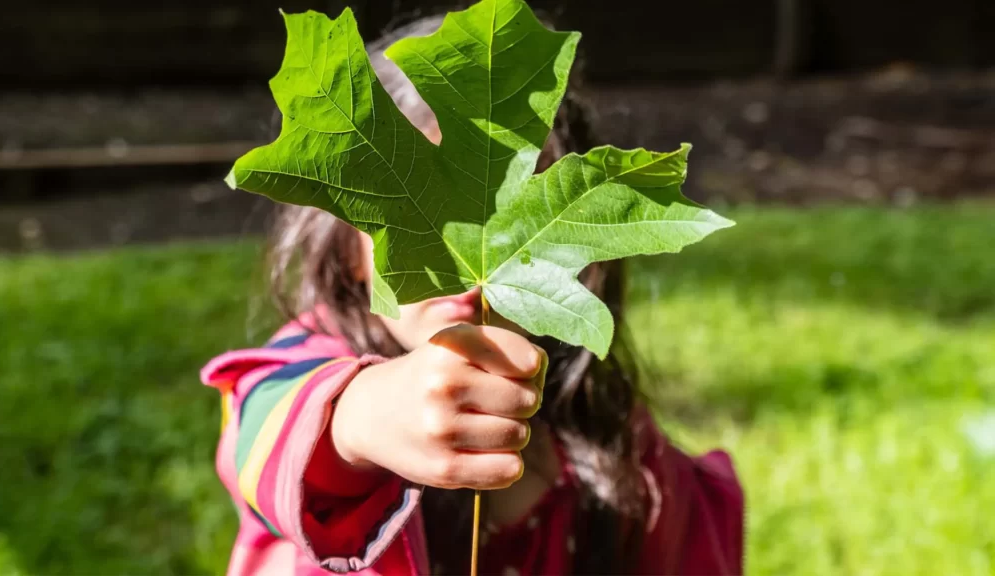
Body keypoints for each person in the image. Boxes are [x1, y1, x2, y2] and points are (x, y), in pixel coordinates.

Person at [201, 15, 743, 576]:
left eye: (508, 216)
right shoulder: (304, 368)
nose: (464, 262)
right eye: (421, 218)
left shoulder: (608, 433)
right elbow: (263, 435)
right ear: (345, 250)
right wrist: (360, 419)